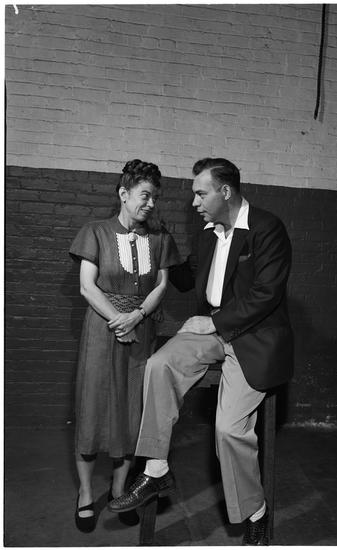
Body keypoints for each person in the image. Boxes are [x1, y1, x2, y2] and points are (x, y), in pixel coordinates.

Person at [107, 157, 293, 545]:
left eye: (200, 193)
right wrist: (158, 238)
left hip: (254, 337)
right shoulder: (208, 234)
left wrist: (215, 323)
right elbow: (187, 276)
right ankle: (156, 470)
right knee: (159, 365)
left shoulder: (267, 228)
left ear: (226, 192)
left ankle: (255, 511)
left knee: (229, 430)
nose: (194, 202)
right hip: (213, 331)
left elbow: (267, 294)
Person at [69, 159, 181, 533]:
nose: (151, 203)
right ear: (124, 193)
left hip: (141, 330)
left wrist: (137, 316)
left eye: (155, 197)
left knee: (134, 411)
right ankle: (86, 494)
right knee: (92, 408)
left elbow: (162, 285)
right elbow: (87, 286)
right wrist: (119, 319)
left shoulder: (160, 239)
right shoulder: (95, 232)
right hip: (102, 330)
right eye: (144, 195)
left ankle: (119, 490)